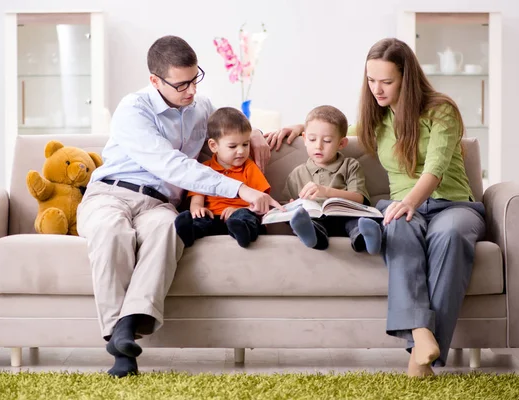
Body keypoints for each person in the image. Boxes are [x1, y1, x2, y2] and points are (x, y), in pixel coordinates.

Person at [265, 38, 486, 378]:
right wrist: (299, 127)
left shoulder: (441, 110)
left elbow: (435, 168)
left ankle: (419, 354)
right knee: (397, 230)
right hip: (401, 205)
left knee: (451, 236)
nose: (377, 89)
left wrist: (410, 201)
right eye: (371, 80)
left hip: (453, 204)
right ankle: (421, 336)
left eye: (386, 81)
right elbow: (338, 131)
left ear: (406, 78)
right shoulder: (377, 119)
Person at [77, 36, 281, 378]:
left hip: (158, 204)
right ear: (155, 81)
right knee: (111, 232)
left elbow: (222, 139)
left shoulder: (202, 108)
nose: (191, 90)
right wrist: (240, 189)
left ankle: (128, 328)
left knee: (168, 232)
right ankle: (119, 340)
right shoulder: (133, 110)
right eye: (181, 83)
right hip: (110, 193)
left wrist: (256, 132)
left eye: (195, 78)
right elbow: (172, 165)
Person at [281, 105, 380, 253]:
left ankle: (367, 239)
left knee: (357, 222)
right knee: (308, 221)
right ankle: (312, 236)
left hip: (345, 216)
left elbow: (359, 198)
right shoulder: (297, 173)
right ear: (305, 139)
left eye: (327, 141)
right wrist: (291, 207)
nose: (318, 146)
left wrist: (325, 191)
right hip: (316, 219)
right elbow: (285, 205)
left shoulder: (350, 165)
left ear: (341, 144)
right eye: (312, 139)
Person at [175, 107, 271, 248]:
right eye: (233, 146)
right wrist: (198, 209)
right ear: (213, 146)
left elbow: (261, 201)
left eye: (245, 144)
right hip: (213, 217)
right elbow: (196, 200)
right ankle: (189, 232)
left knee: (246, 217)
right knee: (200, 219)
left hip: (240, 215)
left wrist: (239, 210)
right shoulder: (204, 170)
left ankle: (243, 231)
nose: (241, 151)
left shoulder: (249, 168)